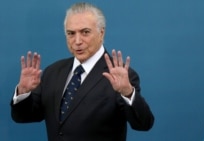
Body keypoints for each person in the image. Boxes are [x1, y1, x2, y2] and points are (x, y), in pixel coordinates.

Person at [11, 2, 154, 141]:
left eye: (85, 32)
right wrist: (23, 92)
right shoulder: (52, 72)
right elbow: (24, 116)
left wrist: (128, 93)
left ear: (101, 33)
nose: (77, 41)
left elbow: (143, 124)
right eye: (71, 33)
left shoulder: (120, 75)